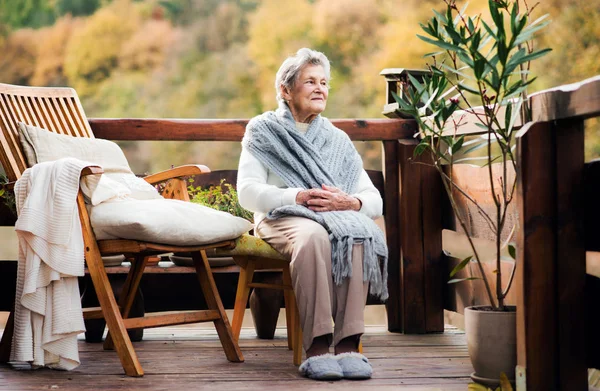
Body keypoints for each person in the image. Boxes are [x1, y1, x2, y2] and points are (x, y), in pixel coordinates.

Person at [237, 48, 388, 381]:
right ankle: (318, 348)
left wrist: (351, 204)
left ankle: (349, 345)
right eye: (310, 82)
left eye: (324, 82)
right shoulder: (263, 131)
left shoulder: (337, 139)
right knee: (313, 236)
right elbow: (246, 192)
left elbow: (373, 200)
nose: (320, 88)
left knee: (356, 233)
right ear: (286, 90)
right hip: (279, 218)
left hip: (332, 217)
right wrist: (298, 196)